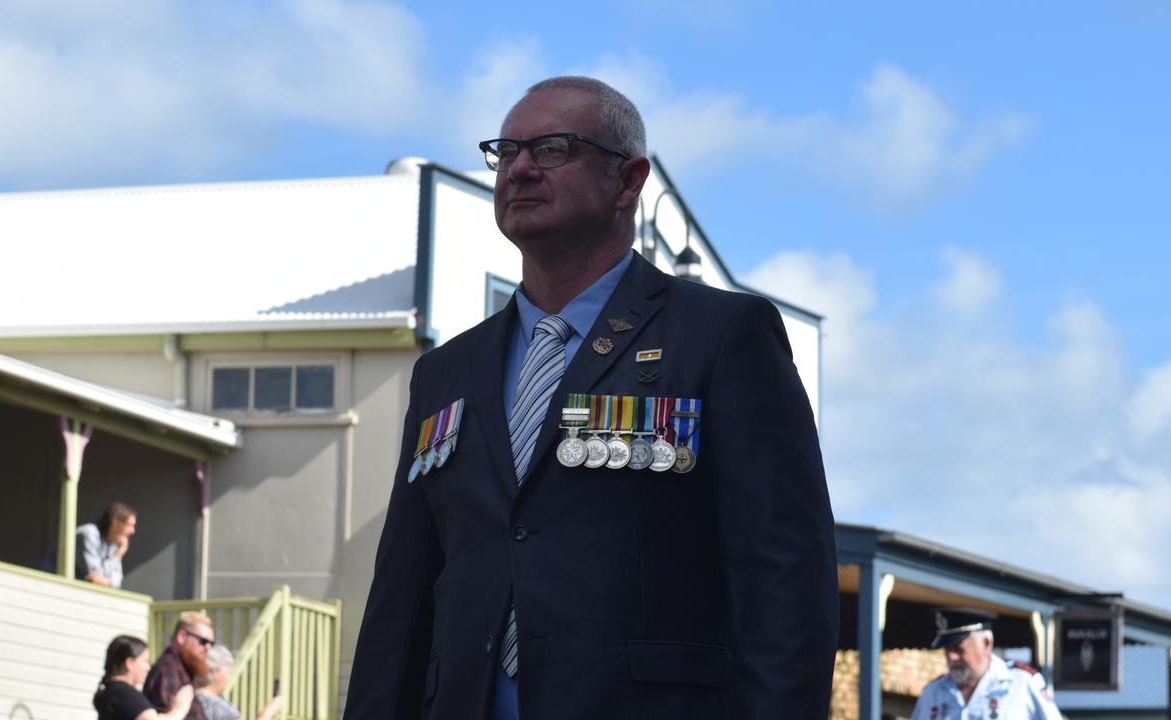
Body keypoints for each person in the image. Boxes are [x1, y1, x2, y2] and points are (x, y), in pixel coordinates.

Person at [345, 76, 837, 719]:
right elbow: (401, 598)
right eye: (505, 151)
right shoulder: (447, 371)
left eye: (551, 149)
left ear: (628, 181)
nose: (518, 169)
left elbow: (786, 584)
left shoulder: (720, 337)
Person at [911, 608, 1063, 719]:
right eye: (947, 649)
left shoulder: (1022, 684)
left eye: (959, 649)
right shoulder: (932, 693)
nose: (951, 656)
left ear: (986, 643)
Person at [94, 634, 194, 720]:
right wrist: (179, 709)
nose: (148, 668)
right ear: (130, 663)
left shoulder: (112, 691)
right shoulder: (123, 693)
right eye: (145, 661)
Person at [144, 611, 214, 720]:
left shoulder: (182, 670)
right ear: (182, 637)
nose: (208, 648)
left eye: (211, 644)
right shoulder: (168, 670)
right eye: (203, 641)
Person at [194, 643, 285, 720]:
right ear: (215, 671)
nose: (228, 677)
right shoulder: (223, 711)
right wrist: (267, 713)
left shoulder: (185, 698)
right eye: (227, 672)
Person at [77, 501, 137, 587]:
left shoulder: (115, 544)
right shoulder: (89, 533)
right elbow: (94, 575)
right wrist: (118, 555)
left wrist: (108, 583)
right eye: (129, 525)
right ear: (115, 522)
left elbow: (117, 580)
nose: (132, 531)